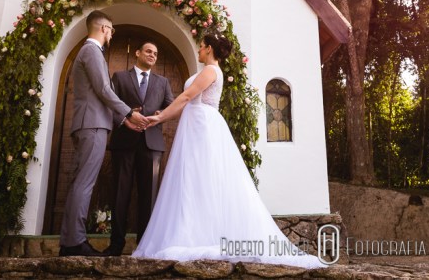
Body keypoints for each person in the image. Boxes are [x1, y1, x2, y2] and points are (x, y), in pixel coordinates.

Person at [131, 34, 324, 268]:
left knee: (203, 177)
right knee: (192, 179)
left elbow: (187, 96)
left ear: (210, 49)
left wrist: (159, 117)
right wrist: (162, 117)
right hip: (194, 125)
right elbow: (186, 101)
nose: (199, 51)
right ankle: (189, 229)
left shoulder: (211, 71)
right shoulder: (209, 70)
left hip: (203, 127)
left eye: (201, 48)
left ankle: (201, 236)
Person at [59, 10, 151, 257]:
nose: (111, 34)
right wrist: (129, 114)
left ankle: (70, 240)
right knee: (84, 183)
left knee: (81, 182)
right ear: (103, 29)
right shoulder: (91, 51)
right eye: (111, 30)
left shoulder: (90, 52)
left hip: (92, 123)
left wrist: (123, 120)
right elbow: (102, 89)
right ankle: (74, 242)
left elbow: (98, 93)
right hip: (92, 125)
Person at [104, 41, 174, 256]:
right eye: (148, 51)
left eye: (155, 53)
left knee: (148, 196)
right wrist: (127, 116)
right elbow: (111, 105)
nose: (152, 55)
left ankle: (144, 245)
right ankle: (116, 244)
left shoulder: (163, 82)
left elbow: (170, 107)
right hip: (124, 141)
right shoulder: (120, 77)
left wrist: (155, 117)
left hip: (151, 144)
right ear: (137, 53)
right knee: (120, 194)